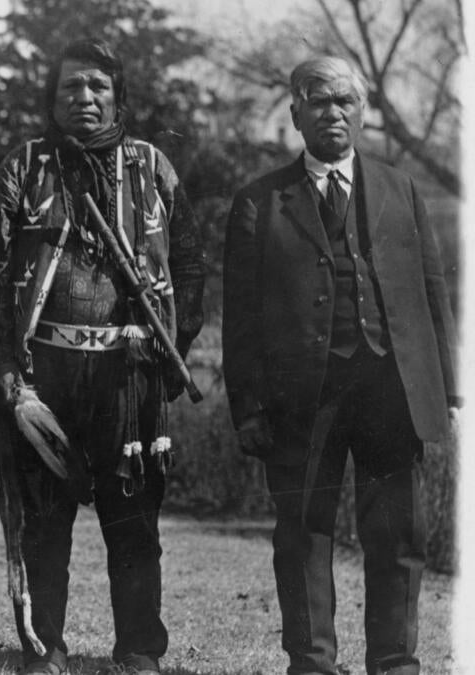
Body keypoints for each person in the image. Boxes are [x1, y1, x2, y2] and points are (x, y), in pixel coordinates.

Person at [0, 39, 205, 675]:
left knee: (133, 519)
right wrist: (2, 367)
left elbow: (189, 265)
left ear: (118, 97)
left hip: (131, 374)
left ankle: (137, 649)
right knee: (43, 524)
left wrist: (172, 351)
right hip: (44, 371)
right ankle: (45, 647)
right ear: (53, 98)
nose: (85, 97)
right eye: (72, 87)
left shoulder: (153, 168)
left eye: (98, 87)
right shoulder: (26, 167)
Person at [222, 56, 457, 675]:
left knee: (399, 535)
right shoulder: (260, 202)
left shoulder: (400, 188)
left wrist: (450, 391)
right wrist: (247, 407)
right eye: (319, 100)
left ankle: (395, 659)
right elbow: (241, 320)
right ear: (296, 113)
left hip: (392, 388)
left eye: (346, 101)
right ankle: (313, 661)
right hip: (303, 395)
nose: (334, 112)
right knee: (302, 532)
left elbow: (434, 292)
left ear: (363, 112)